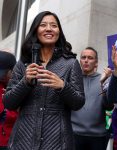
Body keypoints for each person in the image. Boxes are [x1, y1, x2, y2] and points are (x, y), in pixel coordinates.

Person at [2, 11, 85, 150]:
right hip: (23, 141)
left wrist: (62, 86)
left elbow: (79, 103)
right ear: (36, 30)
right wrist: (25, 82)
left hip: (57, 142)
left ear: (59, 31)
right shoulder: (23, 64)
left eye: (54, 25)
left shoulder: (71, 64)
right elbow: (9, 103)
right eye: (43, 25)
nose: (48, 29)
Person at [71, 47, 113, 150]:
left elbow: (109, 106)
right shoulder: (72, 80)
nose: (86, 60)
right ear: (79, 61)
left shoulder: (104, 79)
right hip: (74, 133)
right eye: (83, 57)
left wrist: (104, 84)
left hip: (98, 136)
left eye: (90, 58)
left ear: (96, 63)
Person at [0, 50, 18, 150]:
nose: (2, 78)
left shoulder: (24, 86)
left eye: (4, 74)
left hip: (13, 141)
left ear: (13, 70)